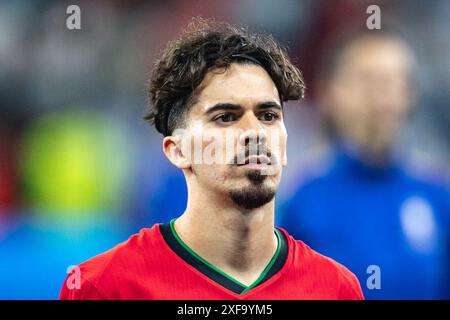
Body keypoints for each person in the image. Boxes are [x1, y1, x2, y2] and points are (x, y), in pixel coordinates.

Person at [59, 19, 363, 300]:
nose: (255, 132)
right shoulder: (104, 286)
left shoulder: (335, 289)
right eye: (226, 117)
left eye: (268, 115)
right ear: (178, 150)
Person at [279, 29, 449, 299]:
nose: (383, 96)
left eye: (395, 82)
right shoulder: (297, 199)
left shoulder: (437, 196)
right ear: (328, 93)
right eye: (367, 81)